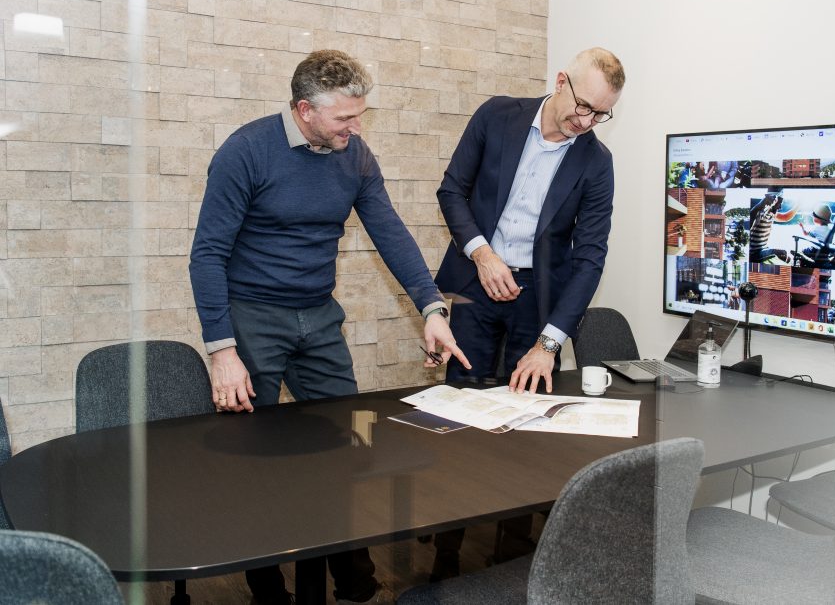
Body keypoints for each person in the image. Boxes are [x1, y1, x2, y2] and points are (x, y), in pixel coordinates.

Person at [188, 49, 469, 605]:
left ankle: (351, 568)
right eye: (344, 117)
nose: (355, 127)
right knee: (251, 452)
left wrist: (432, 308)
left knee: (352, 435)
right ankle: (266, 583)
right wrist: (222, 350)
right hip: (252, 315)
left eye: (359, 115)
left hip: (318, 315)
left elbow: (390, 231)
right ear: (304, 110)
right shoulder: (246, 151)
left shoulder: (354, 154)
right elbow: (208, 254)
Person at [431, 47, 625, 580]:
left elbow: (590, 257)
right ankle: (446, 554)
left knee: (528, 426)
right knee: (461, 416)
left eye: (600, 114)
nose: (586, 121)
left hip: (539, 299)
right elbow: (452, 191)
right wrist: (482, 253)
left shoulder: (597, 162)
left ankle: (512, 559)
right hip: (477, 281)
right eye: (582, 106)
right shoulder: (497, 114)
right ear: (561, 81)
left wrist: (549, 343)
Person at [748, 192, 791, 264]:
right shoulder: (761, 212)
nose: (780, 207)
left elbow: (785, 217)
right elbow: (752, 215)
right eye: (779, 203)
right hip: (755, 253)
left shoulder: (772, 214)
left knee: (788, 257)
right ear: (774, 201)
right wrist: (763, 202)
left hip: (764, 249)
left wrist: (798, 205)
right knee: (783, 254)